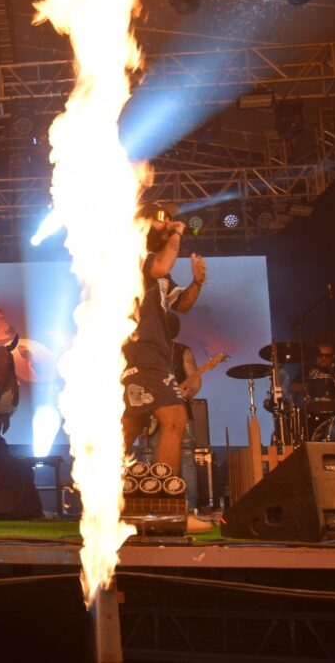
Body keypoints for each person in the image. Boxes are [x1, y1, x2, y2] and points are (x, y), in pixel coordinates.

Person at [122, 213, 206, 476]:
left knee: (131, 426)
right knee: (175, 418)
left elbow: (182, 304)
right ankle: (165, 494)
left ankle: (102, 486)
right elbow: (161, 266)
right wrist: (177, 232)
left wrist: (197, 283)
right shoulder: (133, 255)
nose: (168, 223)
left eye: (170, 219)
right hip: (141, 349)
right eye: (161, 218)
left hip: (150, 352)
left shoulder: (159, 273)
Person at [167, 312, 202, 512]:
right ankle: (188, 508)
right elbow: (195, 384)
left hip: (165, 414)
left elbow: (195, 383)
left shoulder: (179, 351)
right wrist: (185, 394)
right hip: (175, 412)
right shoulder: (183, 351)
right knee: (185, 459)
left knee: (159, 458)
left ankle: (174, 506)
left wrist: (183, 394)